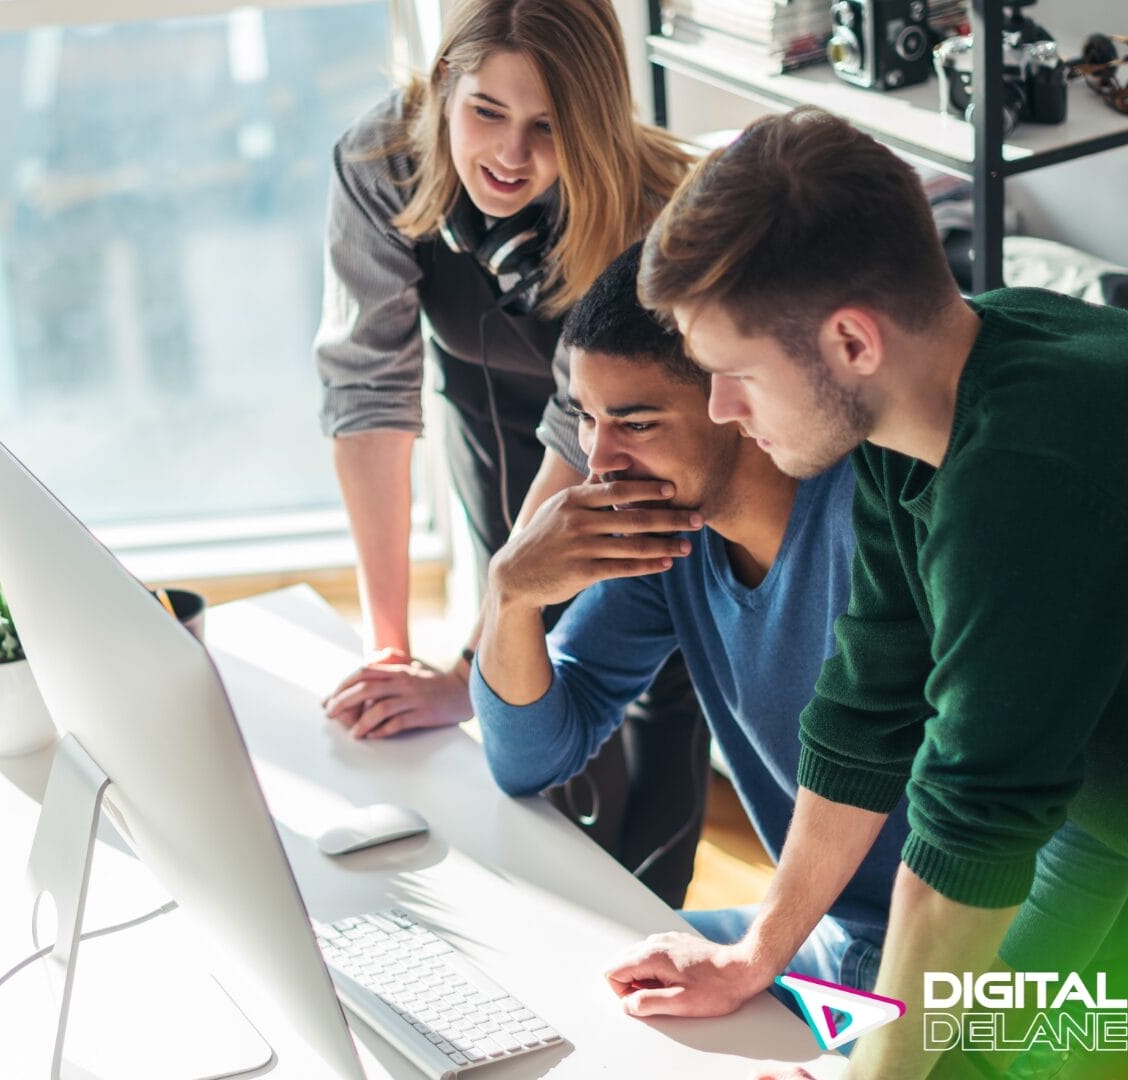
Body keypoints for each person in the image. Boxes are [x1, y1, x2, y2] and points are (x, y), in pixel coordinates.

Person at [600, 107, 1128, 1080]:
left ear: (850, 343)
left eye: (736, 375)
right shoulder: (920, 416)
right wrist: (755, 953)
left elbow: (971, 819)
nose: (719, 411)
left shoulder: (1025, 472)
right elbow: (866, 711)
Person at [313, 0, 706, 905]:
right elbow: (369, 396)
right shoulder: (380, 165)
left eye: (549, 127)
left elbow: (581, 429)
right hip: (492, 442)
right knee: (525, 776)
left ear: (596, 122)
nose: (509, 156)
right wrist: (393, 649)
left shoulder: (655, 214)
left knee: (638, 811)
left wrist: (469, 666)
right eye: (486, 111)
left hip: (628, 476)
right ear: (445, 84)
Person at [469, 241, 912, 996]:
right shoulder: (668, 540)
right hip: (823, 941)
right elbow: (529, 759)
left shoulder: (873, 523)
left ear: (737, 403)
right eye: (588, 418)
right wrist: (511, 594)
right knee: (543, 976)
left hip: (958, 968)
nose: (598, 461)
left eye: (636, 424)